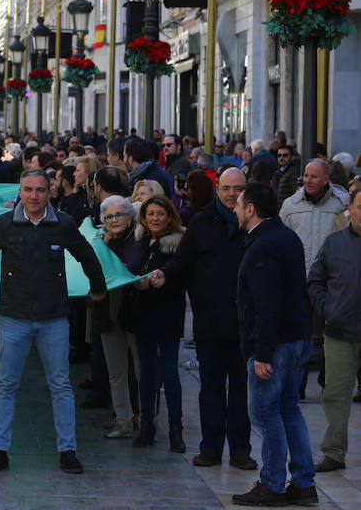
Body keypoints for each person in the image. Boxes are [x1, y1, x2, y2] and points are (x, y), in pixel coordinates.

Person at [0, 169, 107, 475]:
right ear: (20, 192)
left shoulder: (63, 224)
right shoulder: (5, 225)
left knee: (60, 385)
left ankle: (68, 450)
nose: (33, 196)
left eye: (40, 190)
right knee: (6, 384)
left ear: (49, 192)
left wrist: (98, 286)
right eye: (28, 190)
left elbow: (87, 255)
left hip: (54, 319)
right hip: (14, 318)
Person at [152, 168, 257, 469]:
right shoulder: (202, 222)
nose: (232, 194)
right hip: (210, 320)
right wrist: (164, 274)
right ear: (217, 188)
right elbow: (182, 261)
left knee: (240, 389)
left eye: (238, 188)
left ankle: (240, 450)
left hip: (245, 322)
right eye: (226, 188)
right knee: (211, 388)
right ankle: (210, 448)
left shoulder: (254, 222)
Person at [232, 183, 317, 507]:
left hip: (276, 344)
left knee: (266, 412)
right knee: (288, 410)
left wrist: (262, 353)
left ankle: (272, 484)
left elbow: (267, 303)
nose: (236, 209)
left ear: (251, 208)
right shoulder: (286, 236)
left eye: (239, 204)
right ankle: (304, 483)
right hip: (296, 338)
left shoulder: (262, 246)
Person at [124, 196, 187, 452]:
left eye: (160, 213)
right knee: (146, 373)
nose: (155, 218)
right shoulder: (139, 242)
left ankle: (175, 429)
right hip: (143, 313)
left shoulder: (179, 244)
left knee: (170, 373)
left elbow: (181, 270)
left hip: (168, 313)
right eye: (151, 213)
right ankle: (147, 425)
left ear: (169, 216)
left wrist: (161, 278)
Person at [307, 188, 361, 473]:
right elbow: (315, 281)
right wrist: (328, 309)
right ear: (349, 209)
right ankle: (334, 452)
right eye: (360, 207)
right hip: (340, 332)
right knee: (336, 393)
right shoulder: (333, 243)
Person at [96, 195, 140, 439]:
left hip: (134, 315)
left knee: (141, 371)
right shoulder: (101, 243)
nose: (115, 220)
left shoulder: (138, 241)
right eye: (109, 216)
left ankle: (144, 419)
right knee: (116, 371)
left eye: (119, 215)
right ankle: (123, 420)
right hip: (109, 315)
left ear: (130, 216)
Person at [273, 144, 300, 209]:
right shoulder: (280, 171)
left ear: (292, 156)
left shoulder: (294, 171)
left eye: (285, 155)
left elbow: (296, 193)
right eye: (279, 155)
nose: (281, 158)